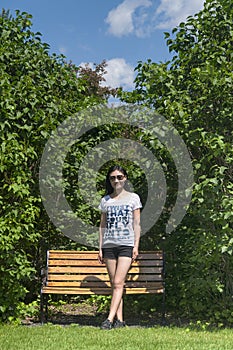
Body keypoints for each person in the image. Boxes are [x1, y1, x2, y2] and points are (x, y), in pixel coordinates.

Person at [98, 165, 142, 329]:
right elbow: (102, 225)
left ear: (125, 178)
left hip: (126, 245)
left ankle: (109, 320)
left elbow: (137, 224)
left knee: (118, 282)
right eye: (112, 178)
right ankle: (120, 321)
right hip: (109, 245)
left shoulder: (133, 198)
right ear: (109, 180)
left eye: (119, 177)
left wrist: (136, 246)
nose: (116, 180)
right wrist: (100, 247)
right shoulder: (106, 200)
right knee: (116, 284)